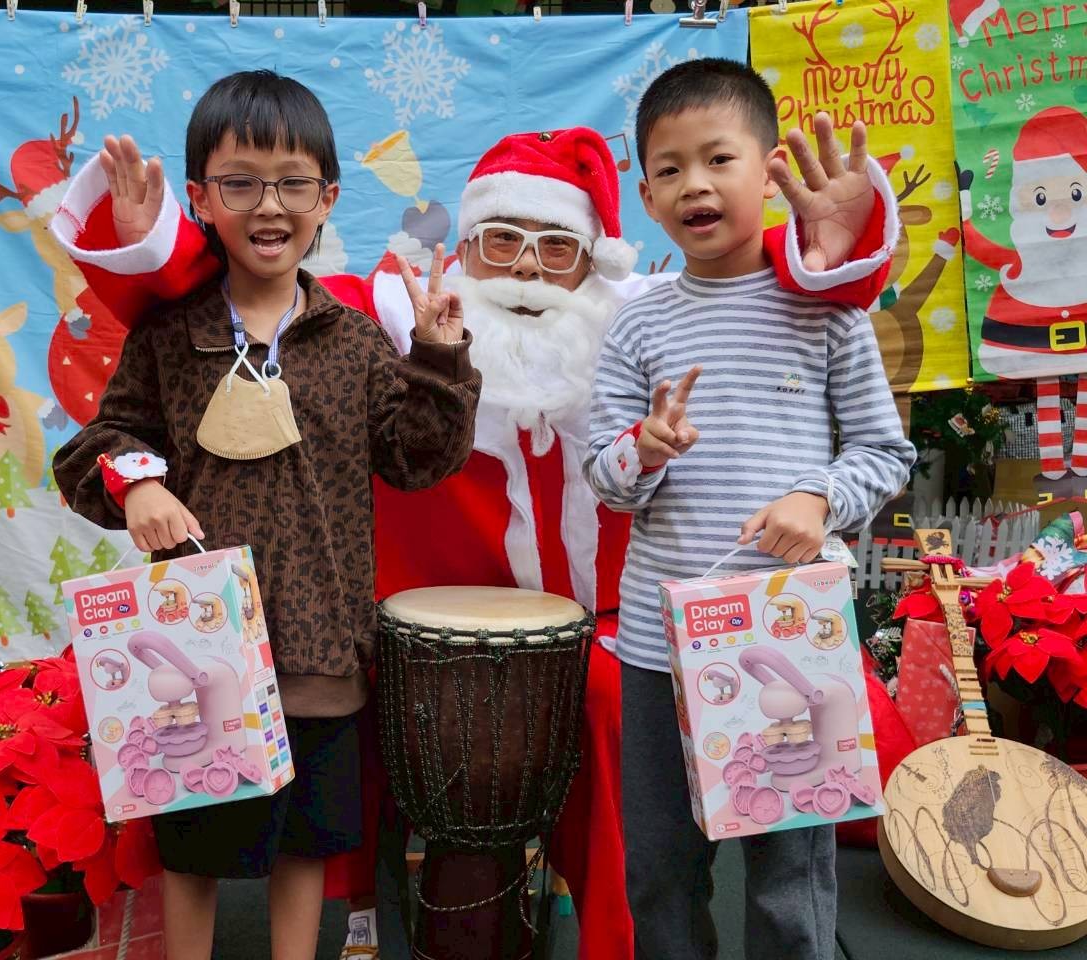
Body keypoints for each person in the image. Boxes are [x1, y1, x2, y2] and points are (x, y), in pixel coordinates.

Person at [50, 107, 898, 960]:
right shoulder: (323, 319)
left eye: (556, 248)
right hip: (225, 631)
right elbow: (209, 281)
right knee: (196, 843)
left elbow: (770, 276)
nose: (527, 267)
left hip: (624, 629)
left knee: (778, 866)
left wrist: (834, 250)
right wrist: (139, 473)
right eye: (501, 242)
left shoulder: (625, 321)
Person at [52, 70, 481, 960]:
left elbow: (417, 460)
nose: (269, 205)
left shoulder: (354, 339)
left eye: (292, 182)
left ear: (328, 198)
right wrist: (139, 484)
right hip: (195, 648)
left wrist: (439, 356)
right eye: (241, 183)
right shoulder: (171, 334)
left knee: (308, 842)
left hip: (324, 644)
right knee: (192, 847)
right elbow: (96, 444)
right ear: (201, 198)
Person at [582, 58, 915, 960]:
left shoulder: (826, 310)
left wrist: (818, 496)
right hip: (657, 649)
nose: (694, 184)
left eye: (717, 158)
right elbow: (603, 476)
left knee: (787, 876)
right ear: (647, 198)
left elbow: (885, 452)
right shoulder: (638, 323)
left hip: (788, 637)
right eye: (669, 168)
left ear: (769, 173)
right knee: (660, 867)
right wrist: (645, 448)